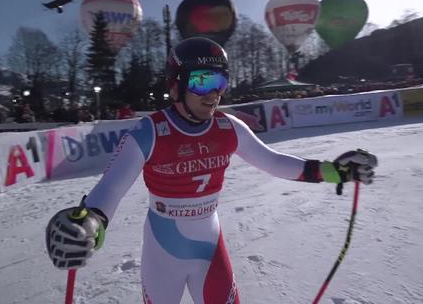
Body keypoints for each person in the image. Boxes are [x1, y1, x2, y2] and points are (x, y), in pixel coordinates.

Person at [45, 37, 378, 303]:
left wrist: (336, 171)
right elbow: (111, 190)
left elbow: (274, 162)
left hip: (209, 245)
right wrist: (91, 224)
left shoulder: (227, 128)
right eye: (203, 82)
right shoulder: (149, 131)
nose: (215, 93)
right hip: (163, 252)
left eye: (220, 82)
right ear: (176, 86)